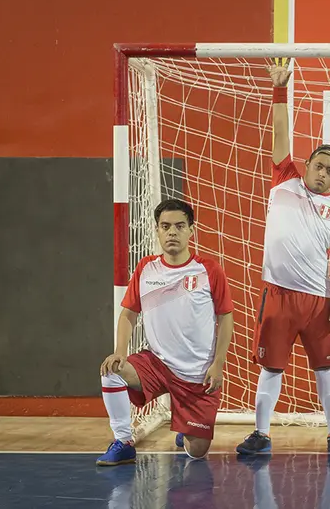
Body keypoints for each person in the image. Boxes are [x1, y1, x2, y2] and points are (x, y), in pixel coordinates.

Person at [236, 58, 330, 456]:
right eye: (319, 165)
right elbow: (280, 132)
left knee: (327, 368)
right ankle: (261, 434)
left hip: (317, 301)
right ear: (306, 166)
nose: (323, 173)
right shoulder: (284, 181)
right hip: (279, 296)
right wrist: (279, 89)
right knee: (271, 368)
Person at [97, 198, 234, 466]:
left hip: (196, 375)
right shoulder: (146, 269)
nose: (172, 232)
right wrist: (119, 352)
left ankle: (186, 427)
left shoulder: (209, 270)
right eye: (166, 226)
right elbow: (128, 314)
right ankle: (124, 441)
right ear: (157, 230)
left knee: (197, 453)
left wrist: (218, 364)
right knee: (111, 370)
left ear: (191, 230)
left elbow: (226, 318)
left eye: (180, 226)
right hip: (156, 364)